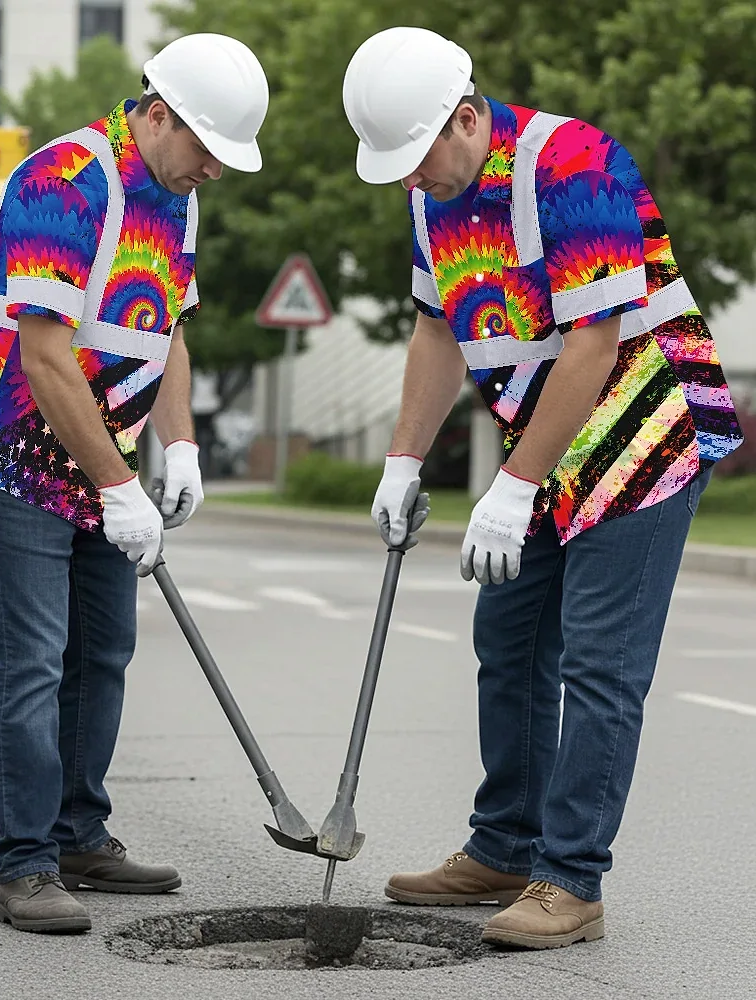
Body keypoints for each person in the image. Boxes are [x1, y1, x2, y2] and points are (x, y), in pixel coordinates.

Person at [343, 26, 744, 949]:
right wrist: (404, 459)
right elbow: (438, 330)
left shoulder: (575, 165)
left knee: (600, 664)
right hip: (551, 441)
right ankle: (504, 847)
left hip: (646, 431)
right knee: (510, 638)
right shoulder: (432, 195)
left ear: (467, 117)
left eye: (418, 158)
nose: (410, 181)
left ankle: (572, 881)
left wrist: (514, 486)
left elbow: (595, 344)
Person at [0, 33, 269, 934]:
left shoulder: (178, 197)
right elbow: (44, 357)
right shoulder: (64, 180)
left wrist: (181, 446)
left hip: (97, 447)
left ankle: (78, 834)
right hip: (7, 447)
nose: (215, 170)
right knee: (30, 662)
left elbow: (167, 330)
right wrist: (121, 488)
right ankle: (26, 865)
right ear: (157, 115)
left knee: (102, 651)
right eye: (207, 148)